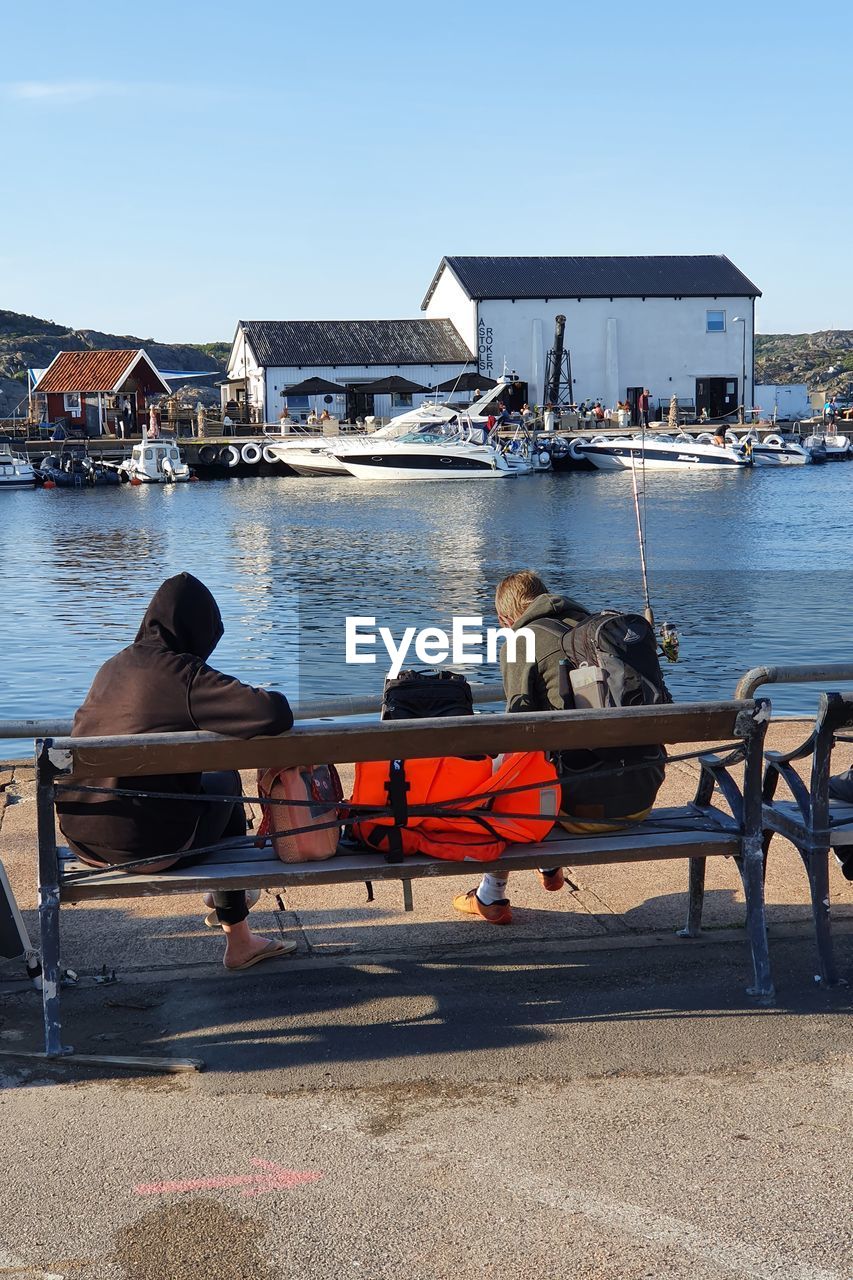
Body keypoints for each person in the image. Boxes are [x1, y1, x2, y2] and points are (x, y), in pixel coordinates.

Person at [56, 573, 297, 971]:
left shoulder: (111, 668)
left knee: (203, 783)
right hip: (147, 849)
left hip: (83, 839)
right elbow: (273, 712)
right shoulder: (183, 675)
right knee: (226, 780)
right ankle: (238, 935)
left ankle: (223, 894)